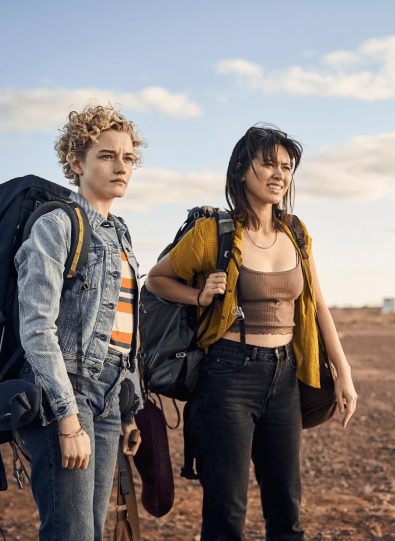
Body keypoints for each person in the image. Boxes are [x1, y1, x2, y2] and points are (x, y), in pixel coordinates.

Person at [146, 125, 358, 540]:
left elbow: (317, 304)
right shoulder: (214, 233)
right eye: (268, 163)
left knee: (286, 511)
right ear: (243, 169)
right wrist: (199, 295)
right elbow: (156, 280)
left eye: (287, 166)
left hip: (285, 377)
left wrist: (343, 371)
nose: (280, 174)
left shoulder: (296, 232)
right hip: (228, 376)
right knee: (226, 514)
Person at [14, 105, 145, 541]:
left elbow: (124, 330)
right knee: (72, 532)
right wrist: (67, 418)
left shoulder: (120, 233)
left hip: (109, 397)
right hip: (67, 393)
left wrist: (129, 408)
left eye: (128, 158)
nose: (121, 167)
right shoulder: (57, 225)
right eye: (107, 156)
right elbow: (36, 326)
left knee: (90, 529)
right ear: (76, 163)